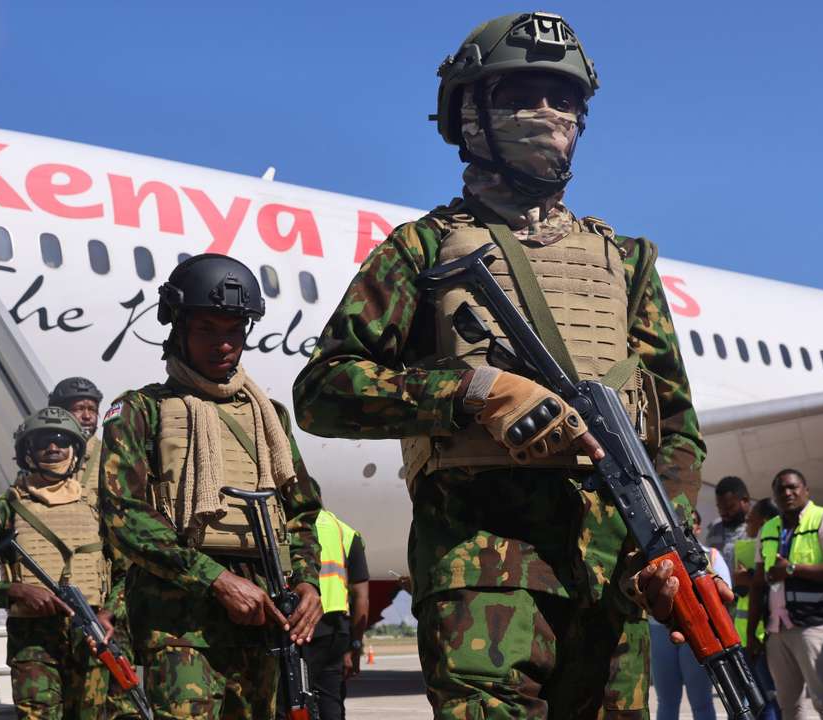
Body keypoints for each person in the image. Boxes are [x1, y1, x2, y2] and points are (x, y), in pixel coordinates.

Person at [292, 12, 710, 717]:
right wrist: (475, 390)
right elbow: (324, 390)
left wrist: (668, 545)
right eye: (523, 94)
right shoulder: (421, 250)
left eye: (565, 98)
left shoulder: (627, 262)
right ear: (471, 116)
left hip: (611, 580)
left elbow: (676, 429)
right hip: (483, 574)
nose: (550, 115)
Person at [100, 253, 325, 718]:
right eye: (207, 329)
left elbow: (301, 510)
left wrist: (306, 583)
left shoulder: (270, 416)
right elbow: (125, 517)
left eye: (233, 331)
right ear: (177, 328)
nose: (223, 344)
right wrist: (216, 580)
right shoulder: (141, 410)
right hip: (179, 618)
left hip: (263, 612)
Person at [0, 407, 142, 719]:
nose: (52, 448)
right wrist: (16, 592)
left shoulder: (99, 508)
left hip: (96, 639)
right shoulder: (3, 510)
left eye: (61, 441)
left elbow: (129, 574)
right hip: (34, 643)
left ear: (75, 451)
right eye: (42, 442)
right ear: (27, 452)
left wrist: (110, 614)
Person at [752, 469, 823, 720]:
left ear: (806, 490)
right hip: (776, 630)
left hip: (812, 627)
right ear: (773, 495)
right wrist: (753, 632)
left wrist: (792, 569)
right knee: (789, 706)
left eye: (793, 487)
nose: (787, 493)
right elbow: (757, 584)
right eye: (780, 489)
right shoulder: (769, 529)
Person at [650, 509, 731, 720]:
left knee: (701, 701)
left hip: (698, 632)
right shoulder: (658, 556)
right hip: (660, 632)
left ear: (697, 528)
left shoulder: (710, 555)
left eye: (690, 523)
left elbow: (723, 598)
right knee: (666, 701)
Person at [305, 509, 369, 720]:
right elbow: (361, 597)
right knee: (331, 702)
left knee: (288, 701)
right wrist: (356, 645)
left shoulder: (291, 527)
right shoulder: (347, 532)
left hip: (301, 623)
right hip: (336, 630)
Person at [738, 498, 780, 720]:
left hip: (764, 634)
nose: (747, 524)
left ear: (764, 522)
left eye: (750, 520)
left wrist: (750, 578)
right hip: (754, 635)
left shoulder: (771, 540)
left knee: (768, 698)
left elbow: (768, 582)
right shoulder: (753, 544)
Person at [48, 376, 105, 482]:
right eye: (79, 409)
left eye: (92, 409)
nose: (87, 416)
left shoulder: (109, 456)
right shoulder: (44, 452)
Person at [707, 476, 752, 577]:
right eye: (720, 508)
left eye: (729, 507)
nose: (723, 513)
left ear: (745, 501)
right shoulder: (714, 530)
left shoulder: (758, 528)